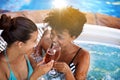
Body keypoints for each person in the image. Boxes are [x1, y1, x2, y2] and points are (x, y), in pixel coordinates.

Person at [0, 14, 54, 80]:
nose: (36, 43)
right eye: (34, 41)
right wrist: (35, 76)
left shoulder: (26, 54)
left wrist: (41, 68)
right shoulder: (2, 67)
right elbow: (35, 75)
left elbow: (35, 67)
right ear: (20, 44)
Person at [43, 7, 90, 80]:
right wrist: (38, 48)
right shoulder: (48, 43)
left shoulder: (82, 56)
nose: (54, 39)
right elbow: (45, 34)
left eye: (60, 37)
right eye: (52, 33)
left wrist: (67, 72)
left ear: (74, 37)